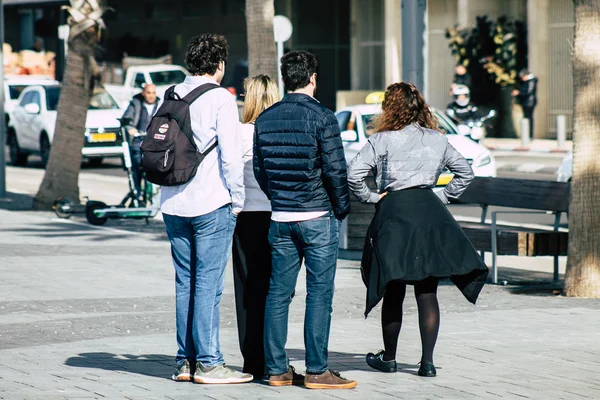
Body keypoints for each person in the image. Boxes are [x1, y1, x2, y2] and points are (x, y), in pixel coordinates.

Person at [347, 82, 489, 378]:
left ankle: (389, 358)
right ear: (419, 107)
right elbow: (465, 171)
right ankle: (427, 363)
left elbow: (354, 175)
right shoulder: (437, 139)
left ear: (390, 107)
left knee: (394, 288)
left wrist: (373, 198)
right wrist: (441, 196)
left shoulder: (381, 140)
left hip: (395, 214)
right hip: (429, 214)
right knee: (427, 291)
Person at [253, 51, 356, 389]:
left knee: (278, 294)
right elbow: (336, 170)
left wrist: (279, 199)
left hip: (281, 217)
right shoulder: (323, 117)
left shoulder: (266, 118)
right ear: (313, 78)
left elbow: (260, 170)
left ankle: (277, 369)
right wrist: (340, 208)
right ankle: (316, 370)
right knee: (319, 294)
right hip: (316, 216)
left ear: (286, 79)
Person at [161, 33, 251, 385]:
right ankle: (210, 363)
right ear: (218, 64)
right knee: (208, 286)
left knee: (185, 283)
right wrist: (238, 201)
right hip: (211, 202)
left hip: (172, 203)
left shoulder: (170, 94)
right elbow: (231, 157)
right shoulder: (219, 98)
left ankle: (186, 361)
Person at [232, 74, 279, 380]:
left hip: (244, 217)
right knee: (274, 290)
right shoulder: (277, 132)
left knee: (246, 291)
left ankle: (252, 359)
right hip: (275, 216)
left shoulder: (239, 133)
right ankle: (273, 357)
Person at [121, 84, 159, 197]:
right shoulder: (136, 104)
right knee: (137, 167)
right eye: (148, 93)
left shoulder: (160, 105)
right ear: (143, 93)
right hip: (138, 143)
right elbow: (126, 120)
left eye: (153, 93)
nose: (151, 96)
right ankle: (137, 194)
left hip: (154, 145)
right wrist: (130, 129)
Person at [513, 70, 538, 137]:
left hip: (529, 102)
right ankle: (527, 134)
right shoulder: (528, 81)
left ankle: (529, 135)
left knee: (528, 118)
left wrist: (519, 93)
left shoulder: (531, 81)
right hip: (527, 102)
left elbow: (528, 92)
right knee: (527, 118)